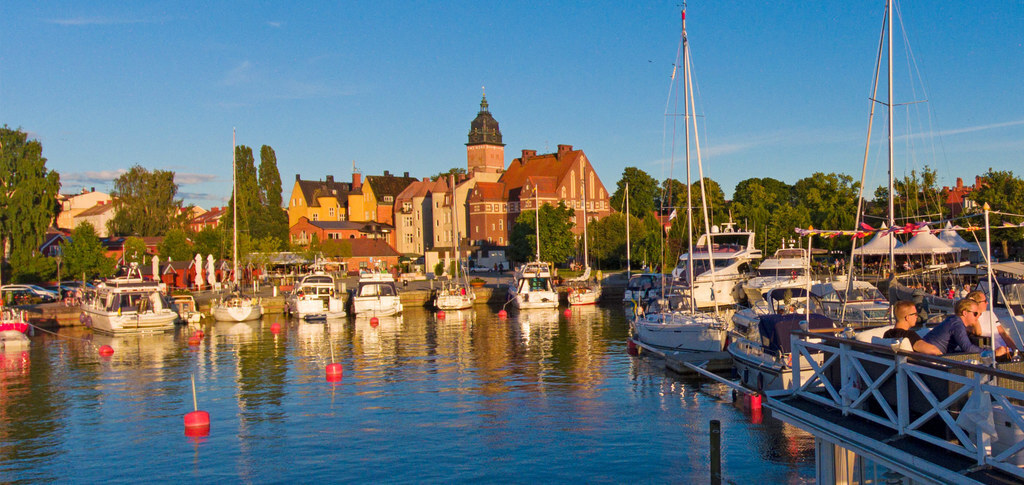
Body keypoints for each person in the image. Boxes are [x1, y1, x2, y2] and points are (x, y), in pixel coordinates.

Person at [923, 298, 1005, 357]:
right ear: (965, 313)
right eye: (975, 314)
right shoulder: (957, 324)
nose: (978, 317)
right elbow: (968, 348)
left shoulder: (954, 320)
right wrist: (993, 353)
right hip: (929, 360)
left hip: (932, 356)